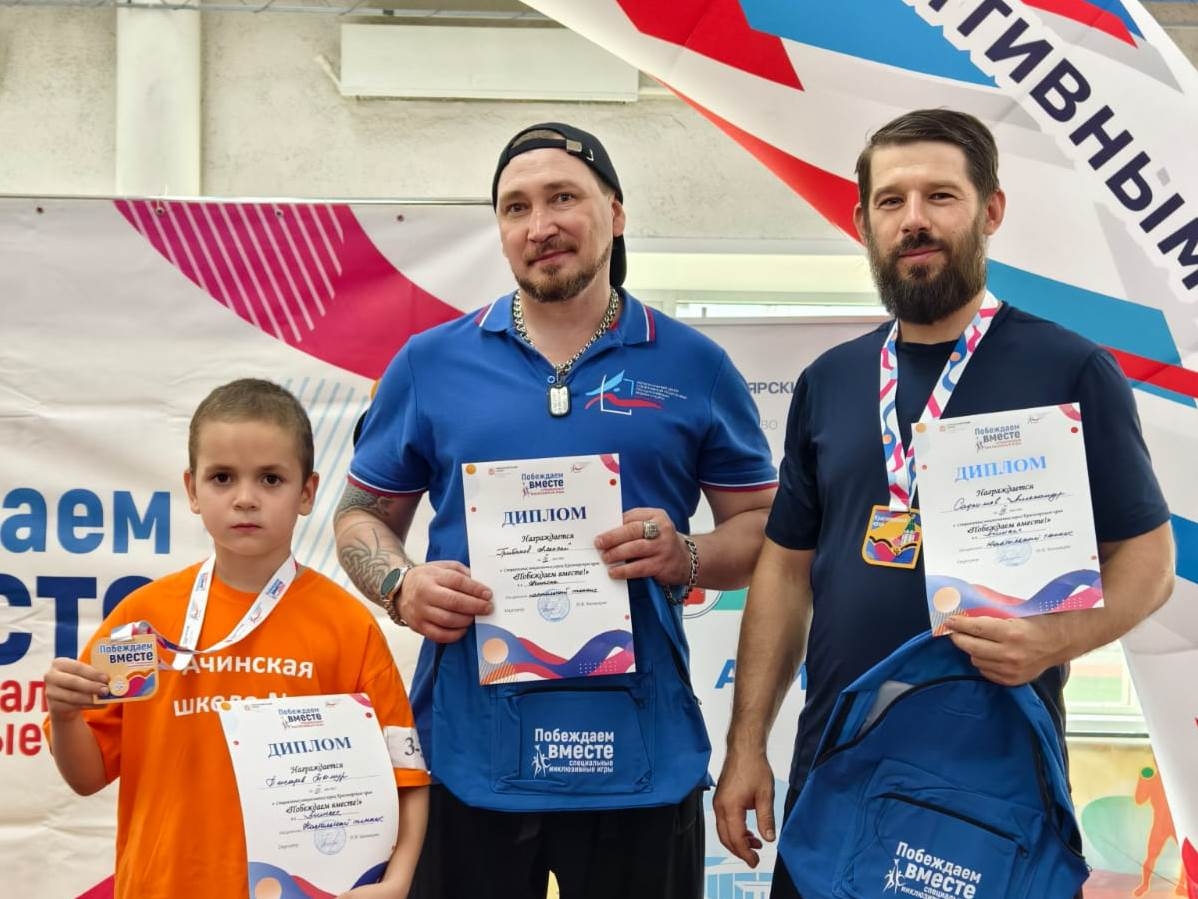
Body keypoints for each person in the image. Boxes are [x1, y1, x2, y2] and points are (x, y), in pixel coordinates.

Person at [711, 108, 1175, 897]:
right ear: (864, 222)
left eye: (940, 196)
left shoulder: (1068, 369)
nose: (914, 220)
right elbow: (784, 572)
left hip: (990, 789)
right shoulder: (830, 381)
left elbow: (1150, 559)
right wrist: (747, 743)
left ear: (990, 210)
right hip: (839, 772)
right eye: (891, 201)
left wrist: (1051, 639)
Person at [334, 122, 778, 899]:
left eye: (563, 197)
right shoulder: (429, 363)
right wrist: (401, 584)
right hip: (470, 757)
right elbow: (358, 518)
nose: (540, 225)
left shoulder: (694, 365)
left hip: (640, 758)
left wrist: (689, 555)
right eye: (516, 207)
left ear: (616, 212)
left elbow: (765, 530)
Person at [43, 378, 430, 899]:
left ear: (307, 493)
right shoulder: (141, 620)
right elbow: (87, 776)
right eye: (222, 477)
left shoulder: (346, 625)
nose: (246, 499)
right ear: (192, 490)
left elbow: (405, 773)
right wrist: (67, 716)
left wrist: (399, 881)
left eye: (271, 479)